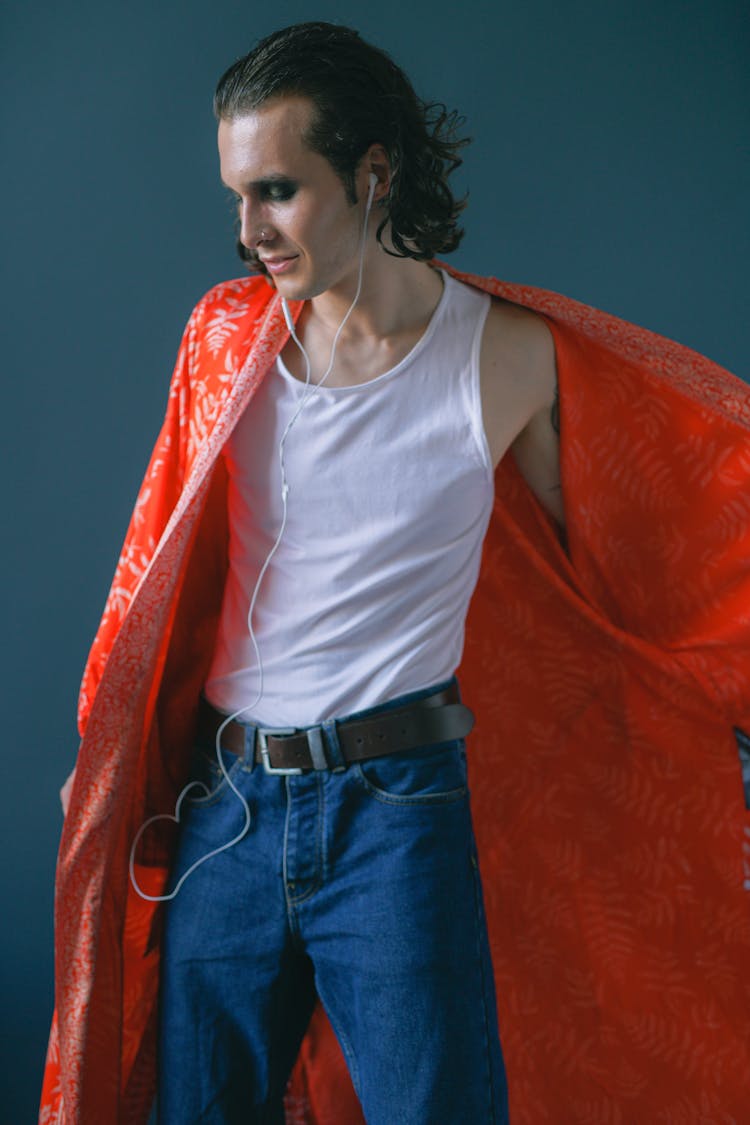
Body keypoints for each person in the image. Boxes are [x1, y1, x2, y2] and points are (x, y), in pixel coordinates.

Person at [41, 21, 750, 1125]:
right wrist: (114, 752)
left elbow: (626, 569)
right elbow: (152, 577)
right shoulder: (226, 342)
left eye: (277, 190)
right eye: (237, 195)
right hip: (223, 813)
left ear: (373, 173)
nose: (248, 231)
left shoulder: (509, 359)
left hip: (396, 817)